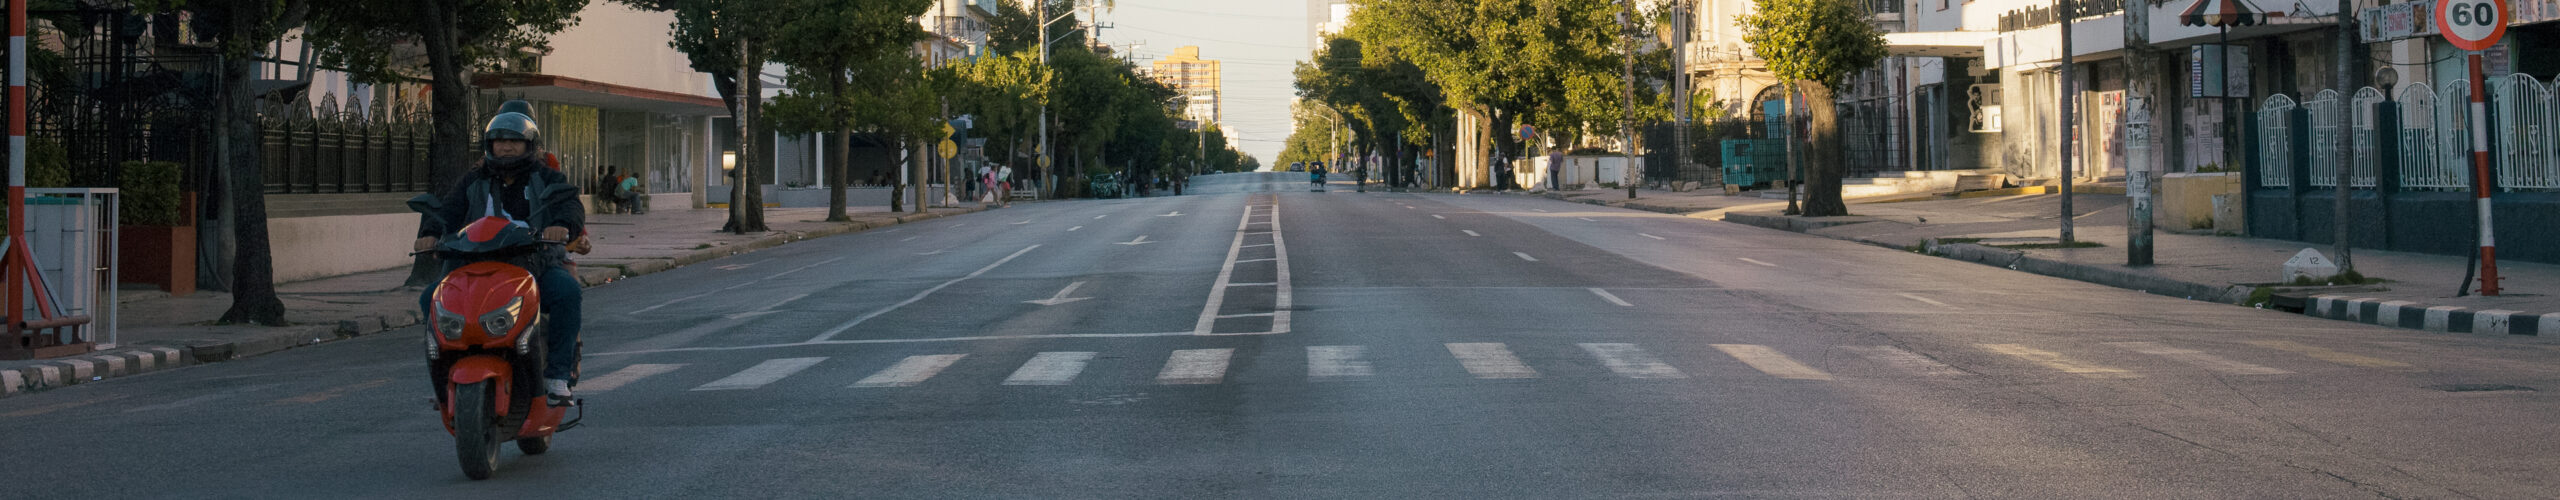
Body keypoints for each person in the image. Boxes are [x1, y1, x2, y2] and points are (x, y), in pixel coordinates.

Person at [414, 108, 586, 402]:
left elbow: (570, 204)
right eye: (498, 141)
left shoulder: (546, 176)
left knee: (567, 291)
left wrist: (561, 225)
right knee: (430, 297)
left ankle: (558, 374)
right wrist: (430, 231)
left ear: (529, 145)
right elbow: (447, 211)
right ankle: (445, 376)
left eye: (514, 141)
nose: (505, 147)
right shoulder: (473, 179)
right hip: (477, 266)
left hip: (533, 265)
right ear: (489, 145)